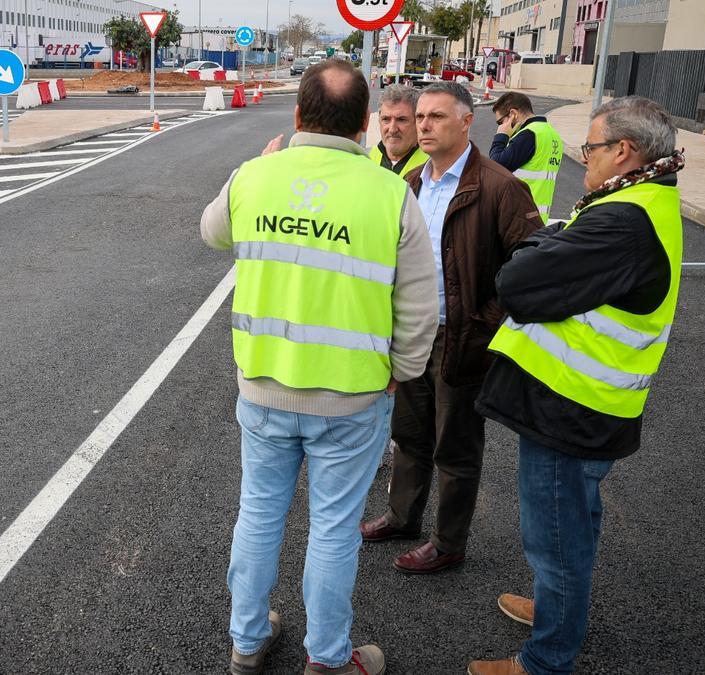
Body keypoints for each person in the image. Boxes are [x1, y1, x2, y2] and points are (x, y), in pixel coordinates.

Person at [200, 58, 439, 675]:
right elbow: (420, 306)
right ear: (365, 123)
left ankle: (248, 641)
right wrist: (402, 371)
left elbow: (211, 232)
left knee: (258, 513)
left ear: (299, 115)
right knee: (332, 531)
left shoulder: (254, 177)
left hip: (264, 386)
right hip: (353, 399)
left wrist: (258, 166)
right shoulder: (391, 194)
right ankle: (329, 659)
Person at [468, 97, 686, 675]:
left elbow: (516, 281)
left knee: (557, 538)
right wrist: (555, 238)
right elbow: (553, 249)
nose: (581, 159)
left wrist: (547, 242)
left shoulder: (621, 220)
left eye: (590, 148)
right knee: (572, 525)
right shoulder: (642, 200)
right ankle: (554, 611)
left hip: (572, 408)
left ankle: (546, 659)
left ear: (624, 151)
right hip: (585, 405)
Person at [359, 82, 543, 574]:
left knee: (456, 447)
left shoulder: (500, 187)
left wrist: (487, 322)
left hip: (463, 338)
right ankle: (402, 516)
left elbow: (532, 265)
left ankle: (448, 542)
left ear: (467, 122)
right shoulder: (412, 182)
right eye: (419, 117)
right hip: (415, 333)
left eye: (436, 117)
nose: (422, 126)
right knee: (410, 434)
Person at [490, 92, 564, 223]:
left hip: (520, 216)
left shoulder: (528, 134)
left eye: (501, 122)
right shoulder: (552, 134)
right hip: (538, 217)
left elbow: (496, 166)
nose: (500, 126)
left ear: (513, 114)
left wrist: (501, 136)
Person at [369, 85, 429, 176]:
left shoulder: (431, 167)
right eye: (386, 119)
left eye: (401, 120)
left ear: (417, 122)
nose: (392, 129)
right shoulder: (367, 158)